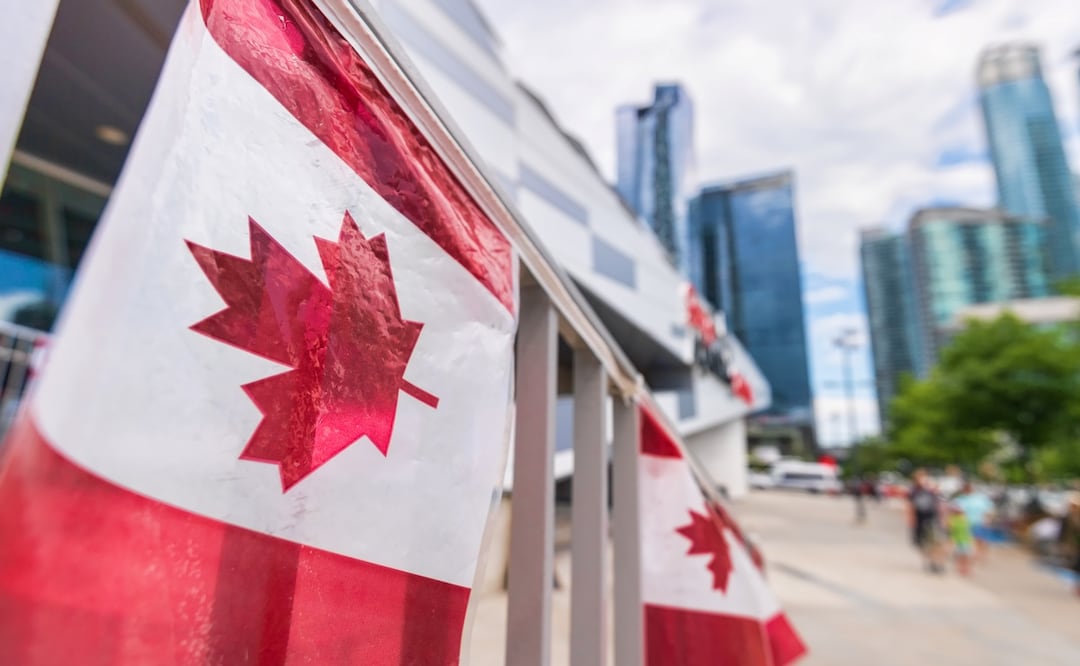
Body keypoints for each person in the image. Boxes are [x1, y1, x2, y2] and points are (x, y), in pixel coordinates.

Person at [907, 469, 946, 574]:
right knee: (923, 543)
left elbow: (940, 504)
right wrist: (911, 519)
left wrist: (943, 519)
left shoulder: (932, 490)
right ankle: (929, 561)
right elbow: (910, 506)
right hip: (921, 520)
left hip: (933, 519)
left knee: (937, 542)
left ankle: (937, 562)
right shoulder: (914, 491)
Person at [954, 481, 994, 562]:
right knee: (968, 540)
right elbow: (958, 511)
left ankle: (981, 555)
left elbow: (989, 510)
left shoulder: (980, 498)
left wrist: (988, 520)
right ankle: (971, 555)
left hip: (979, 522)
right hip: (967, 523)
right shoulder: (961, 499)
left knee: (981, 540)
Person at [1059, 493, 1080, 598]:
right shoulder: (1069, 516)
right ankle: (1076, 586)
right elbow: (1063, 531)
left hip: (1075, 545)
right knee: (1074, 564)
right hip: (1072, 544)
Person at [946, 503, 974, 576]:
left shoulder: (965, 519)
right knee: (959, 555)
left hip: (965, 540)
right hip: (957, 540)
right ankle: (960, 568)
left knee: (966, 555)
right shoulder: (953, 519)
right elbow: (950, 528)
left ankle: (966, 568)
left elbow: (968, 530)